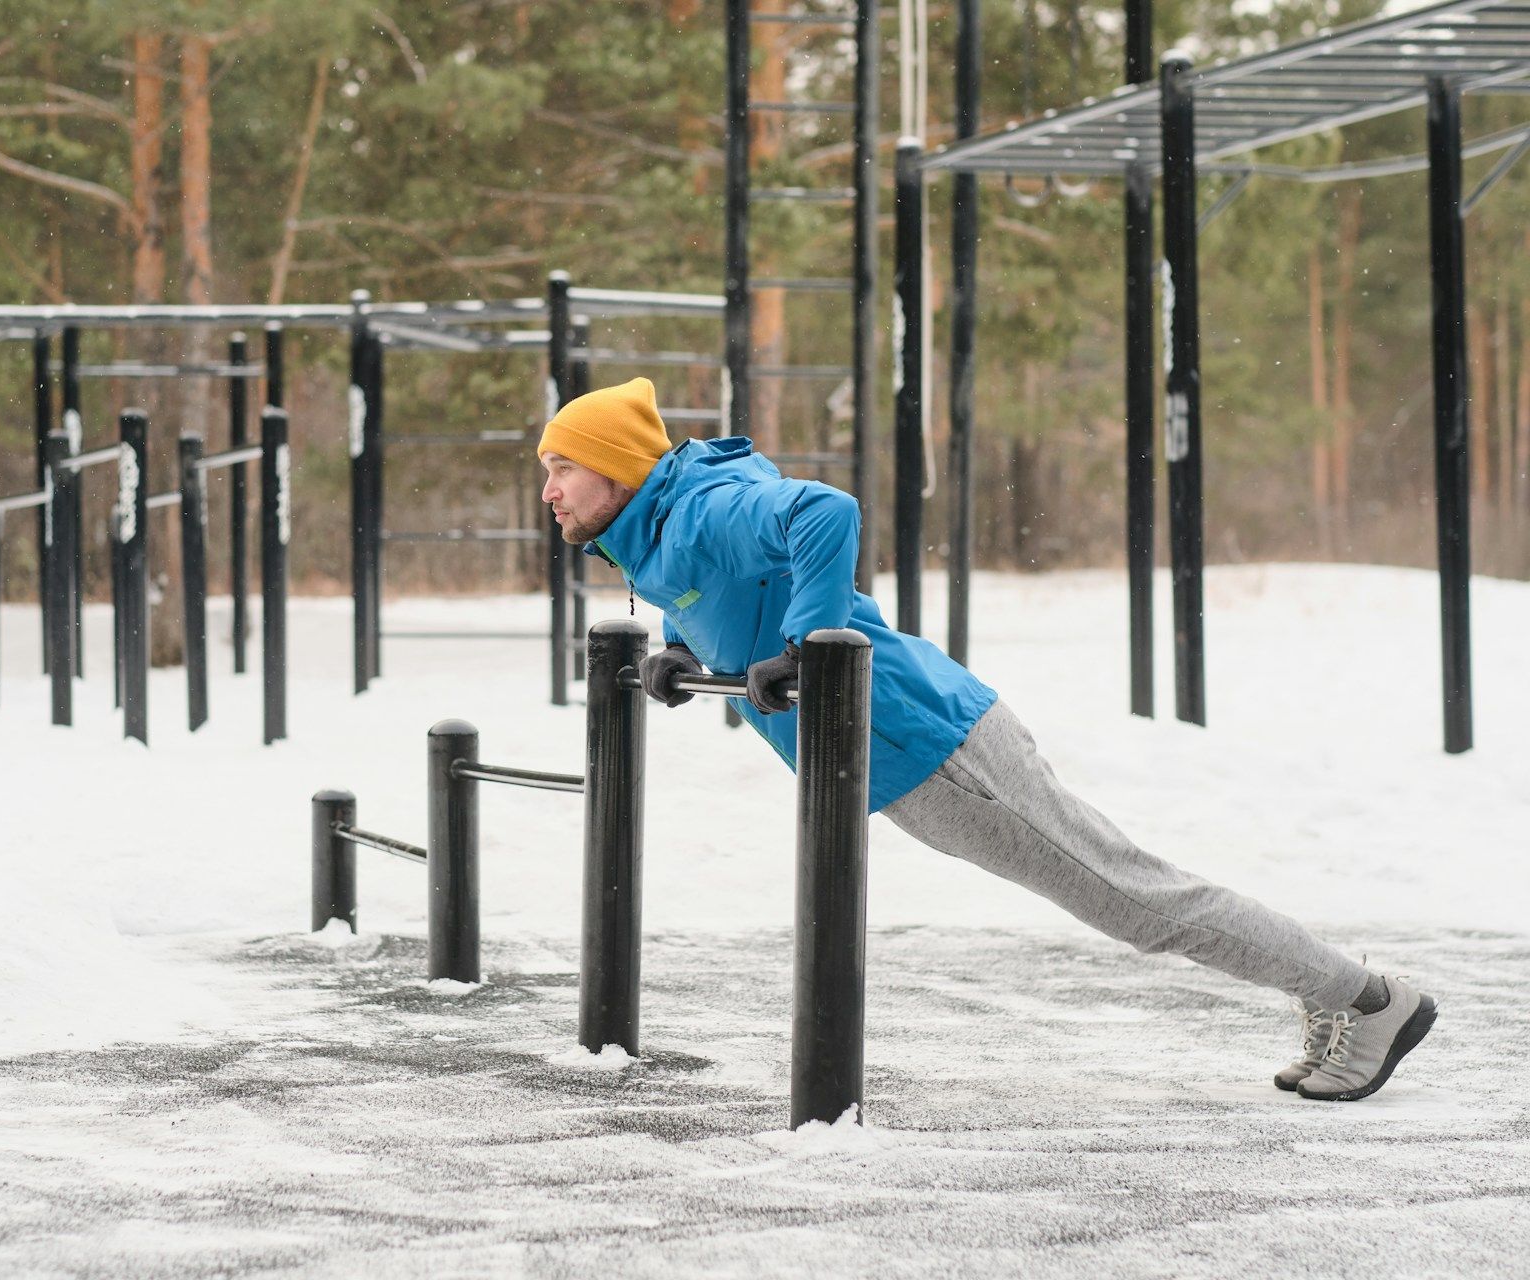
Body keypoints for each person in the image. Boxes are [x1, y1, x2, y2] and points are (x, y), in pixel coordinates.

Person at [537, 376, 1436, 1102]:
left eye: (562, 467)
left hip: (933, 743)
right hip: (907, 753)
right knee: (1130, 894)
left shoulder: (700, 510)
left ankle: (1367, 1000)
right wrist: (686, 647)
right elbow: (732, 583)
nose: (548, 490)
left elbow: (824, 514)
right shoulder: (662, 525)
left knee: (1135, 900)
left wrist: (807, 645)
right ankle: (1340, 993)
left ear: (617, 468)